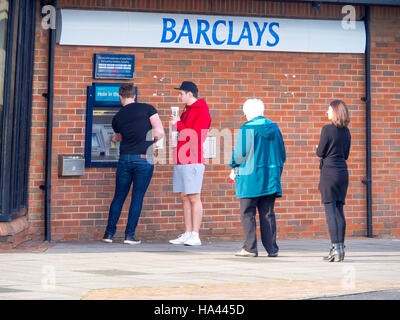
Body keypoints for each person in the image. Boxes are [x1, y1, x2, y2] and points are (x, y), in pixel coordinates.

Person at [102, 84, 164, 244]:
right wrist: (153, 140)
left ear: (120, 96)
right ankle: (129, 235)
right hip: (143, 158)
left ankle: (109, 234)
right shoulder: (148, 109)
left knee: (119, 197)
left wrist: (116, 139)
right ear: (134, 95)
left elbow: (120, 137)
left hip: (124, 159)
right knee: (137, 197)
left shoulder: (117, 117)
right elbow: (159, 132)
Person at [229, 99, 286, 257]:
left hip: (249, 178)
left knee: (247, 213)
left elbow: (240, 155)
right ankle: (272, 249)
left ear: (248, 112)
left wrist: (232, 165)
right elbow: (282, 153)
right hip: (270, 177)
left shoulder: (247, 128)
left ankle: (250, 248)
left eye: (245, 112)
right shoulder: (274, 128)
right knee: (268, 213)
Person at [169, 81, 211, 246]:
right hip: (182, 158)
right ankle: (187, 233)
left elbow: (195, 137)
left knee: (194, 196)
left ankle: (195, 234)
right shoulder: (188, 111)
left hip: (192, 159)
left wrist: (177, 124)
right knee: (184, 196)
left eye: (181, 93)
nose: (179, 96)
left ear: (190, 94)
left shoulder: (202, 111)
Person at [317, 100, 351, 262]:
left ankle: (335, 249)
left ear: (335, 112)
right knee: (339, 210)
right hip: (342, 173)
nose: (327, 112)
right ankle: (341, 248)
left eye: (329, 110)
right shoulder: (346, 132)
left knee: (330, 210)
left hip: (329, 172)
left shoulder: (327, 129)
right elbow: (345, 155)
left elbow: (320, 152)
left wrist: (319, 147)